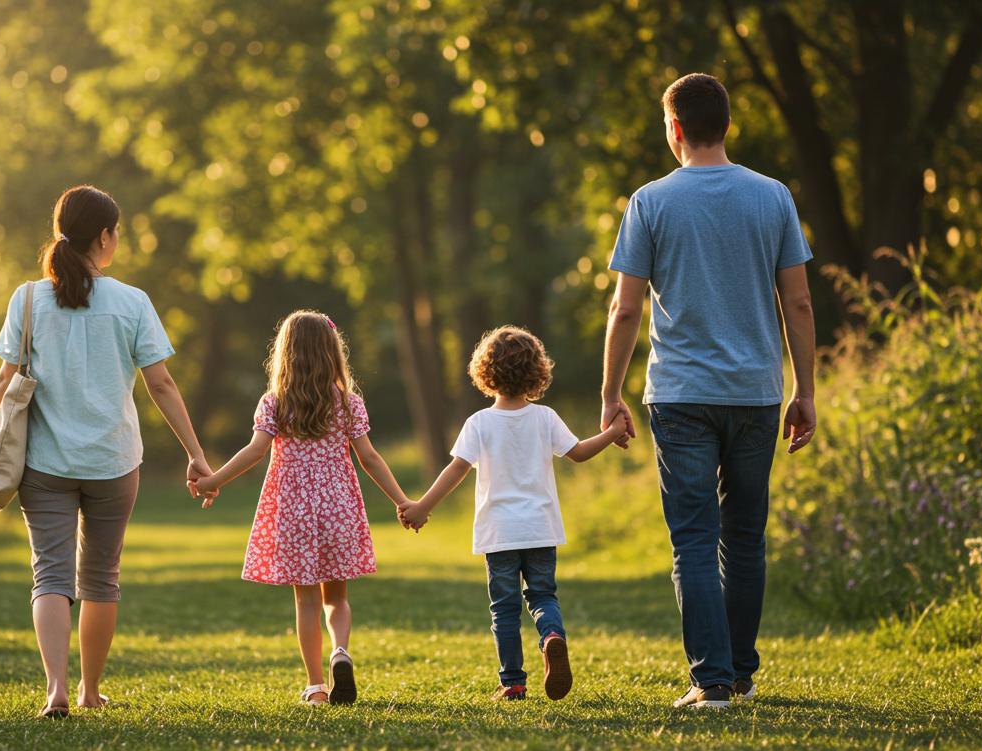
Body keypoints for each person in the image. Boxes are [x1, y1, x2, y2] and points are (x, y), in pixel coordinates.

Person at [601, 74, 818, 709]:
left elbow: (624, 310)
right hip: (755, 394)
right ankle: (741, 675)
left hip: (681, 396)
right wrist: (805, 390)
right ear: (727, 124)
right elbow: (798, 302)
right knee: (745, 536)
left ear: (674, 128)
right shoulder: (773, 197)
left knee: (694, 538)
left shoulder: (649, 202)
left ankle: (712, 680)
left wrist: (611, 393)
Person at [0, 185, 212, 719]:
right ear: (104, 236)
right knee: (101, 576)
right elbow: (163, 385)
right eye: (116, 231)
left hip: (43, 465)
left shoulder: (27, 298)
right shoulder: (133, 302)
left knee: (50, 575)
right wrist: (196, 454)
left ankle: (56, 687)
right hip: (113, 462)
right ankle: (87, 689)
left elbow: (2, 379)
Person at [189, 311, 410, 706]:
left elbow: (255, 451)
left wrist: (213, 481)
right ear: (331, 352)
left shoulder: (274, 403)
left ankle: (315, 686)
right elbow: (370, 458)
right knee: (336, 598)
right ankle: (340, 651)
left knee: (306, 600)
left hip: (292, 509)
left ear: (285, 354)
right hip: (338, 507)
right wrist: (403, 501)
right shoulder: (348, 403)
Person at [397, 327, 627, 702]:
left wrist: (423, 506)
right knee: (542, 596)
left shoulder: (479, 423)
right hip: (540, 528)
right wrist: (613, 430)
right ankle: (551, 635)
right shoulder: (545, 417)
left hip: (499, 532)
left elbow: (455, 469)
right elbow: (580, 452)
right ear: (537, 372)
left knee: (504, 609)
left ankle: (513, 683)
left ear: (484, 373)